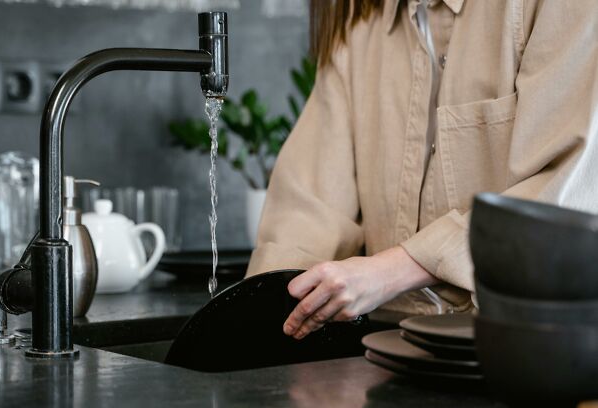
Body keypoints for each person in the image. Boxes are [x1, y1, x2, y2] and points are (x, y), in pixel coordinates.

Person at [246, 0, 598, 340]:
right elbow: (308, 205)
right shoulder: (360, 17)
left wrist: (390, 272)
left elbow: (559, 204)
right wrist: (271, 310)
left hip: (531, 353)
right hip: (385, 358)